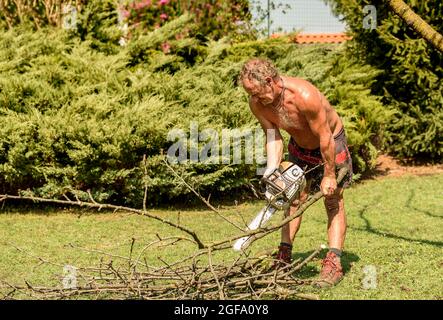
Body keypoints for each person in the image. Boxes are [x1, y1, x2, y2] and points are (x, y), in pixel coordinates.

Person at [239, 58, 353, 287]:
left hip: (330, 143)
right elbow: (273, 135)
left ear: (270, 82)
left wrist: (329, 174)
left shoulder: (304, 96)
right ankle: (283, 258)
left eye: (257, 93)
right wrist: (272, 171)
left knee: (332, 201)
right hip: (299, 146)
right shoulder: (257, 103)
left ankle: (333, 262)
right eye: (250, 93)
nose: (254, 99)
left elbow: (325, 136)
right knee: (291, 199)